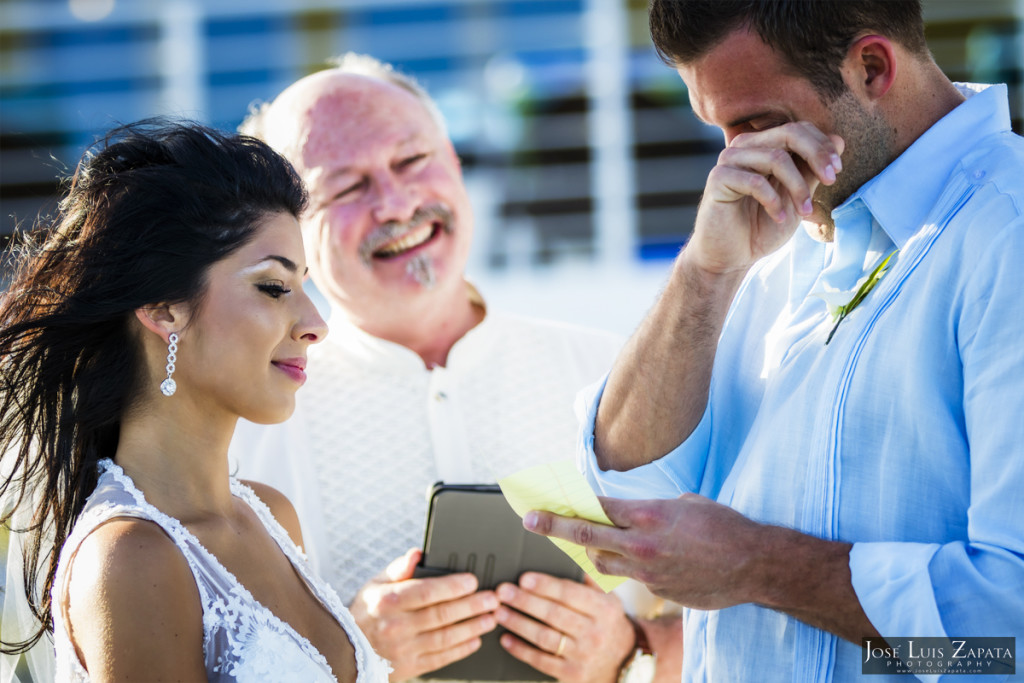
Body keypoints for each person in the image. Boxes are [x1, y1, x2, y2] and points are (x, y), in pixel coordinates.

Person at [524, 0, 1024, 681]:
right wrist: (705, 271)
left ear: (872, 67)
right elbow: (630, 482)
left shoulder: (1008, 234)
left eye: (753, 121)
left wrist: (759, 566)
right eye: (720, 129)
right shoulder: (766, 236)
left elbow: (1009, 645)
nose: (732, 158)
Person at [230, 54, 683, 682]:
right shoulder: (242, 431)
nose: (395, 204)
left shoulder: (614, 372)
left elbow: (754, 608)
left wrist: (629, 652)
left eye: (412, 161)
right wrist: (347, 651)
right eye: (347, 188)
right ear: (289, 232)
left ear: (454, 161)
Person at [0, 120, 391, 682]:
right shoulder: (131, 558)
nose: (315, 324)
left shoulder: (271, 514)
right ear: (163, 309)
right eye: (274, 287)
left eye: (306, 286)